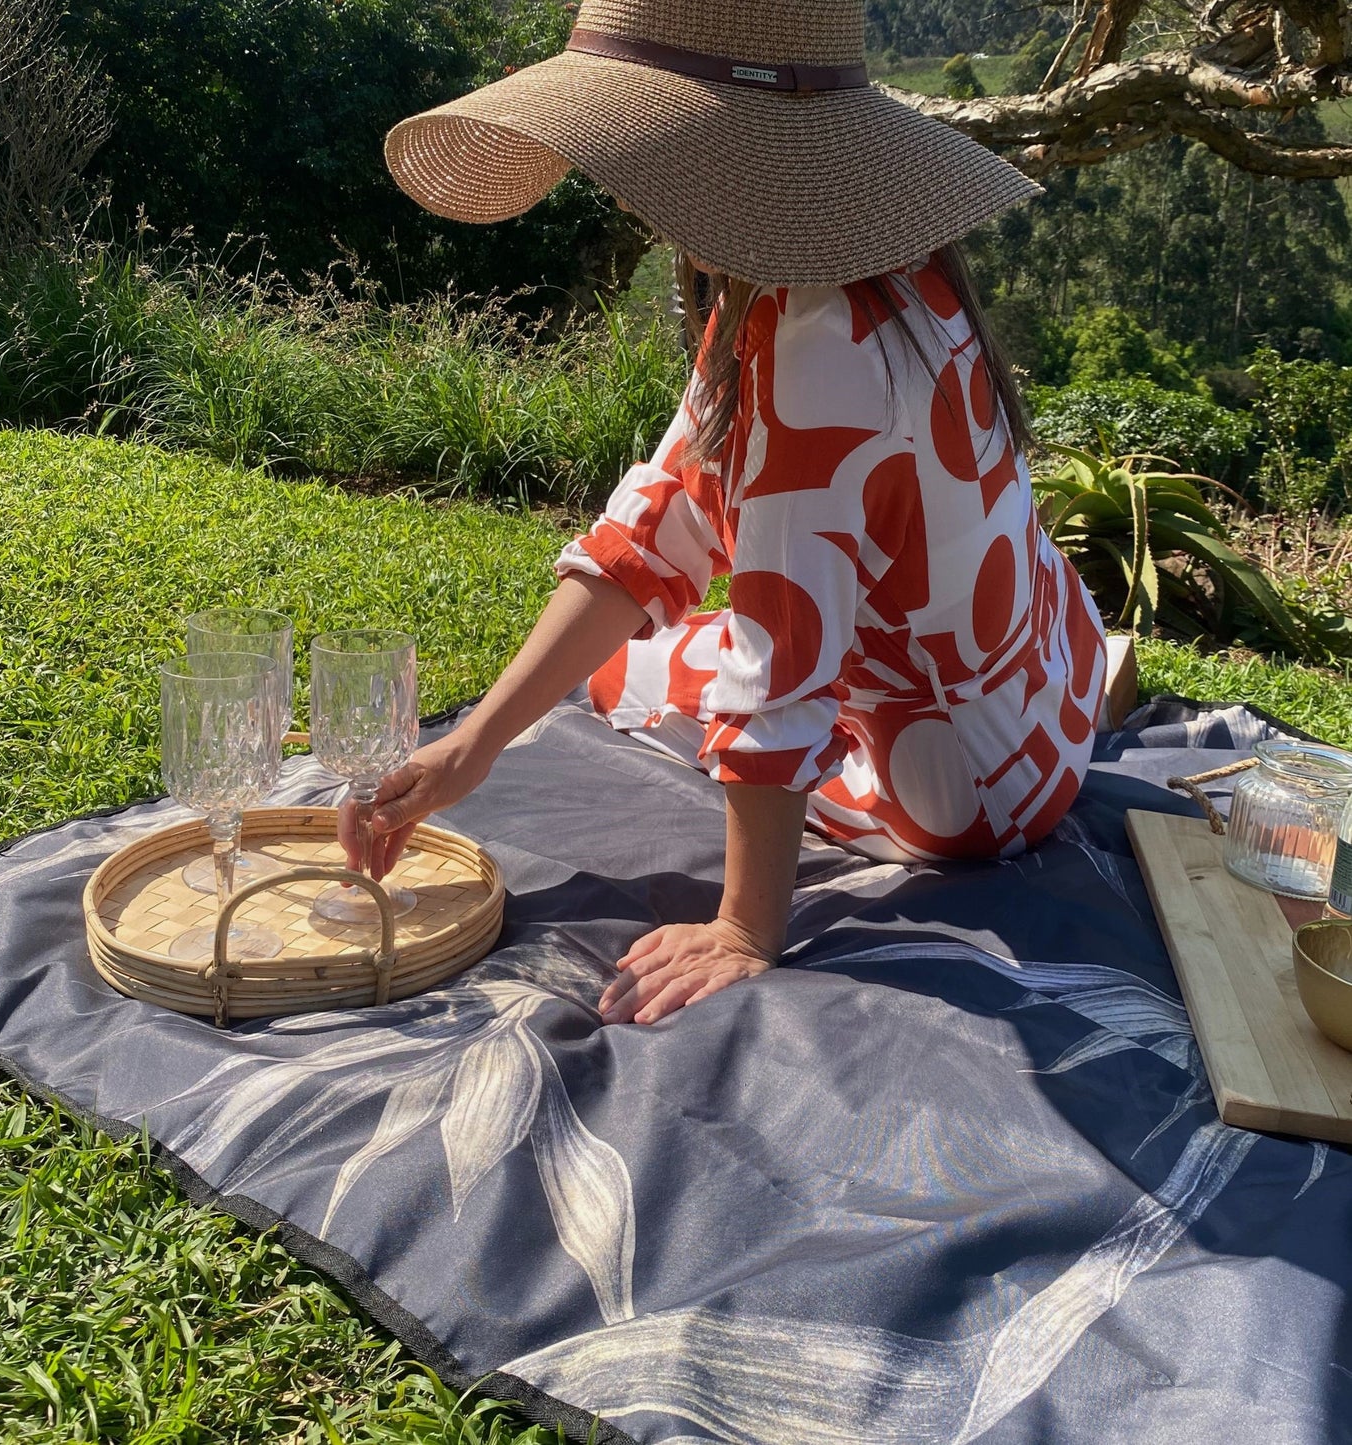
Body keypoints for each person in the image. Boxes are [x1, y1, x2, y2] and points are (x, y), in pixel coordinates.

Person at [346, 0, 1108, 1028]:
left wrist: (744, 927)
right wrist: (473, 745)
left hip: (966, 785)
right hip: (1043, 688)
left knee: (659, 687)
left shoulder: (821, 339)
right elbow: (657, 522)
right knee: (619, 663)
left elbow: (778, 663)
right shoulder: (841, 279)